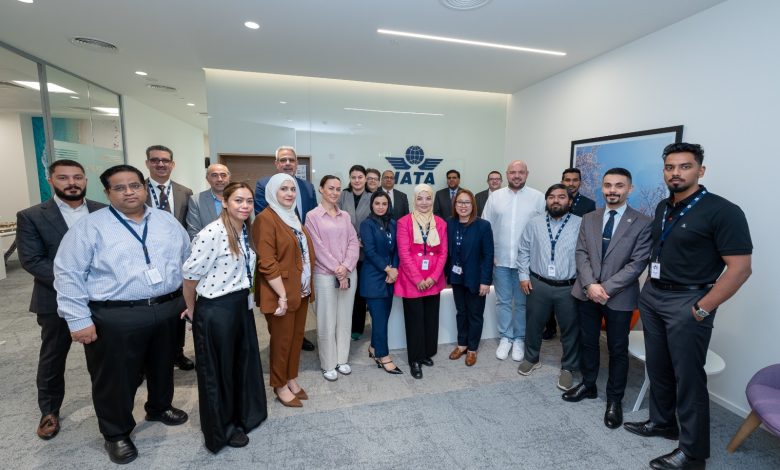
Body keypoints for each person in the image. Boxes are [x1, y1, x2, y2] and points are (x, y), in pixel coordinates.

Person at [624, 143, 752, 470]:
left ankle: (693, 454)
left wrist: (702, 308)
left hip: (688, 302)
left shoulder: (723, 211)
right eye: (670, 167)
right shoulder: (664, 206)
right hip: (654, 296)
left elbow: (740, 269)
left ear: (700, 170)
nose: (676, 173)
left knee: (689, 378)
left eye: (685, 166)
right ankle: (662, 422)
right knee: (658, 366)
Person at [53, 164, 190, 465]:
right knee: (115, 377)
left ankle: (159, 407)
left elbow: (188, 258)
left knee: (162, 365)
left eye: (135, 185)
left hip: (167, 307)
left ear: (144, 188)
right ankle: (116, 433)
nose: (129, 192)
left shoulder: (166, 221)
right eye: (120, 187)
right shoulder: (90, 227)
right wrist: (78, 320)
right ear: (107, 192)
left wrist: (189, 302)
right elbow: (67, 274)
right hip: (116, 315)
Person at [16, 159, 105, 440]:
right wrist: (74, 283)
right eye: (64, 178)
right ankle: (49, 411)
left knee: (102, 358)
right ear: (51, 181)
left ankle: (108, 409)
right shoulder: (32, 216)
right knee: (53, 357)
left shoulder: (103, 211)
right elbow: (32, 260)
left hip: (100, 298)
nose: (72, 183)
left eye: (77, 177)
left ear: (85, 180)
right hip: (54, 299)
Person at [564, 168, 652, 430]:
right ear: (602, 188)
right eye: (608, 185)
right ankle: (588, 385)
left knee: (617, 349)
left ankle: (614, 399)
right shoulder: (589, 217)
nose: (612, 190)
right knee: (588, 342)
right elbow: (581, 253)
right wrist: (590, 284)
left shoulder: (643, 222)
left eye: (619, 186)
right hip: (587, 292)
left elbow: (637, 263)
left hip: (619, 297)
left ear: (629, 189)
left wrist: (604, 288)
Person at [182, 182, 267, 452]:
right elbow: (190, 278)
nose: (245, 206)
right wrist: (192, 310)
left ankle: (244, 415)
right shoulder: (212, 233)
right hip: (216, 309)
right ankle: (224, 428)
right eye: (238, 200)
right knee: (219, 372)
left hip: (240, 305)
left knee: (241, 363)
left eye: (249, 201)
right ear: (225, 203)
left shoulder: (244, 230)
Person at [253, 173, 316, 408]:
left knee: (296, 338)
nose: (289, 193)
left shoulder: (291, 216)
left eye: (292, 189)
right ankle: (279, 384)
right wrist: (281, 294)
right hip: (281, 293)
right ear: (272, 192)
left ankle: (291, 377)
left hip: (300, 290)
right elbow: (267, 262)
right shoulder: (266, 219)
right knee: (281, 341)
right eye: (283, 189)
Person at [516, 184, 582, 392]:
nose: (556, 200)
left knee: (570, 328)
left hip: (568, 287)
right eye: (551, 197)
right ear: (546, 201)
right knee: (533, 324)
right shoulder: (534, 223)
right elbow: (523, 250)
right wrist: (523, 276)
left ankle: (568, 367)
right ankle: (531, 358)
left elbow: (586, 255)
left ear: (569, 201)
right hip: (538, 283)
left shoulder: (581, 224)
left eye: (561, 197)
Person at [254, 146, 317, 352]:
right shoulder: (264, 185)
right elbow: (264, 218)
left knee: (296, 326)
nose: (287, 163)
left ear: (297, 163)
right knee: (282, 335)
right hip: (281, 256)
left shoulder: (307, 187)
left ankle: (298, 339)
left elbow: (311, 219)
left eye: (291, 160)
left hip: (301, 255)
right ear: (276, 164)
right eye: (283, 160)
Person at [481, 160, 545, 362]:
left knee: (523, 304)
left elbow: (543, 230)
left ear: (527, 174)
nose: (517, 175)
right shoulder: (495, 197)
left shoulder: (538, 198)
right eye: (513, 172)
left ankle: (519, 339)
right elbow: (485, 228)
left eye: (521, 172)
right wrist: (489, 255)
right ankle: (506, 337)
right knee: (503, 302)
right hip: (500, 261)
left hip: (526, 264)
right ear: (507, 174)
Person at [144, 144, 195, 371]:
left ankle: (177, 352)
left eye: (165, 160)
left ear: (172, 164)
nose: (161, 164)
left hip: (176, 259)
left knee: (178, 306)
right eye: (155, 160)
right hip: (147, 258)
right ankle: (148, 359)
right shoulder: (138, 189)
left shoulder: (185, 192)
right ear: (147, 163)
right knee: (149, 311)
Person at [305, 175, 360, 381]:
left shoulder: (345, 215)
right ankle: (328, 363)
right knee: (327, 321)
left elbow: (353, 242)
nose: (335, 192)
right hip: (325, 275)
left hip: (348, 272)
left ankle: (341, 359)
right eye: (330, 188)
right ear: (321, 189)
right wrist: (337, 269)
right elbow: (316, 247)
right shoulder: (312, 216)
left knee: (345, 318)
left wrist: (346, 266)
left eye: (338, 189)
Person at [395, 184, 448, 379]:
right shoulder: (404, 222)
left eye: (427, 198)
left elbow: (443, 252)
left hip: (433, 278)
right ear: (414, 200)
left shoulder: (440, 223)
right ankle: (415, 359)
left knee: (430, 318)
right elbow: (404, 253)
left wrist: (433, 277)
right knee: (414, 320)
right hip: (412, 280)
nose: (424, 202)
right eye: (420, 198)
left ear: (432, 200)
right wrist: (418, 279)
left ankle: (426, 353)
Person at [543, 167, 598, 341]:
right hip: (553, 254)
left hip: (574, 256)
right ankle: (550, 327)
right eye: (567, 180)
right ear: (562, 181)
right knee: (549, 292)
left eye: (575, 180)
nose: (571, 183)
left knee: (570, 302)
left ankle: (569, 333)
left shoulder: (588, 204)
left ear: (580, 182)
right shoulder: (554, 200)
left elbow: (589, 233)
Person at [446, 189, 493, 367]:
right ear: (455, 204)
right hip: (456, 277)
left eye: (467, 202)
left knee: (475, 314)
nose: (463, 206)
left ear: (472, 205)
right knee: (461, 312)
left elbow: (488, 255)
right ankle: (462, 345)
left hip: (476, 278)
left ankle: (472, 349)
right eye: (460, 202)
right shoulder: (449, 223)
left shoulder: (483, 225)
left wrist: (485, 281)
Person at [360, 191, 402, 374]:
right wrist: (387, 269)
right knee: (379, 320)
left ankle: (373, 347)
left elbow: (397, 250)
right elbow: (369, 251)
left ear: (388, 205)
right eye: (377, 203)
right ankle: (383, 356)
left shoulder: (393, 223)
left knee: (384, 318)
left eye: (384, 204)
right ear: (372, 205)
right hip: (373, 277)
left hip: (390, 277)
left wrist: (395, 269)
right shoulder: (366, 224)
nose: (380, 207)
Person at [337, 164, 372, 341]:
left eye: (360, 177)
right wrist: (351, 240)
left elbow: (375, 221)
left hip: (365, 252)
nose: (357, 180)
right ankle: (342, 326)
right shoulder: (343, 195)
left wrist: (364, 240)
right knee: (344, 290)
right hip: (344, 251)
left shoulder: (372, 197)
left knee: (359, 292)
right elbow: (335, 219)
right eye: (353, 177)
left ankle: (357, 328)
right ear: (349, 179)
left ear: (365, 179)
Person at [186, 163, 231, 239]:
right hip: (206, 245)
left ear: (229, 177)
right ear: (207, 178)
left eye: (223, 175)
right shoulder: (196, 200)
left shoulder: (239, 199)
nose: (220, 179)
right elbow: (193, 232)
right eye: (214, 175)